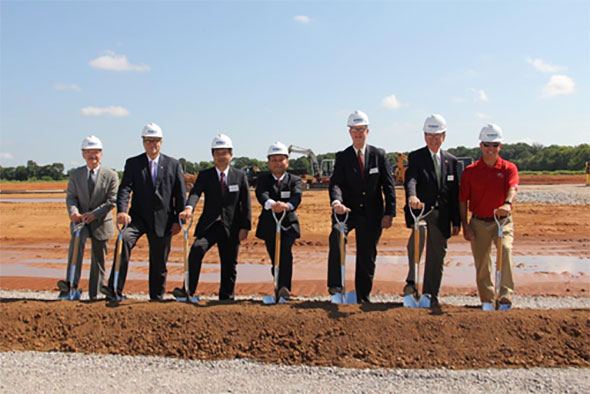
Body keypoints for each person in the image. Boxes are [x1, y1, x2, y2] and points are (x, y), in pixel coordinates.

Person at [101, 123, 186, 301]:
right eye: (148, 141)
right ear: (143, 142)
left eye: (155, 141)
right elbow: (124, 189)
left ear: (161, 142)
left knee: (159, 262)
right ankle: (114, 289)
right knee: (123, 241)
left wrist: (179, 221)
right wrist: (122, 211)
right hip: (137, 218)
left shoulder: (173, 164)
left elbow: (179, 193)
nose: (152, 144)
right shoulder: (133, 163)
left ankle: (156, 297)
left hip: (164, 220)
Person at [327, 110, 396, 303]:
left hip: (373, 214)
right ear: (349, 132)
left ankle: (363, 296)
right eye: (355, 130)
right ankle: (335, 285)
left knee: (367, 254)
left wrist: (390, 212)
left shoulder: (379, 155)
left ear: (368, 131)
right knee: (337, 236)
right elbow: (336, 184)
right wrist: (337, 202)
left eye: (362, 130)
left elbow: (388, 185)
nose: (358, 133)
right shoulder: (342, 157)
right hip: (347, 212)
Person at [174, 134, 251, 301]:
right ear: (213, 155)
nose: (221, 156)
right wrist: (188, 208)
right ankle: (188, 290)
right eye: (218, 153)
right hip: (210, 226)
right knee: (196, 250)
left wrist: (245, 226)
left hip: (231, 227)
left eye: (224, 152)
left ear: (231, 154)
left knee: (229, 263)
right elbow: (195, 193)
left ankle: (226, 297)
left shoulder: (239, 176)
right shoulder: (205, 175)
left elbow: (246, 203)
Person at [402, 114, 460, 309]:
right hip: (422, 212)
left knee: (437, 254)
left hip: (442, 216)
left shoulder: (451, 161)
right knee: (418, 237)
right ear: (424, 136)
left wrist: (457, 222)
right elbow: (411, 179)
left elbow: (454, 194)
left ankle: (430, 294)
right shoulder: (416, 157)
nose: (433, 140)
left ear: (444, 136)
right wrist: (412, 196)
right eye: (429, 135)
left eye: (437, 136)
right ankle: (412, 284)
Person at [459, 123, 519, 311]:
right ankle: (487, 298)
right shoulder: (470, 171)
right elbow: (462, 201)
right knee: (482, 262)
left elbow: (512, 188)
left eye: (495, 145)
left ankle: (505, 297)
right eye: (487, 145)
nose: (490, 149)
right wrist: (465, 226)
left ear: (500, 146)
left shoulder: (508, 168)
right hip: (478, 222)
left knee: (506, 250)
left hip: (502, 222)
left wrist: (507, 204)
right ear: (481, 145)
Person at [58, 135, 118, 300]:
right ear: (83, 154)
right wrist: (73, 213)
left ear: (101, 153)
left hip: (101, 222)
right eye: (89, 152)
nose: (93, 156)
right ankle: (70, 287)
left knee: (99, 258)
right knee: (76, 250)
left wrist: (94, 214)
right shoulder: (76, 174)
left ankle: (96, 293)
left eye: (96, 152)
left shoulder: (111, 175)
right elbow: (71, 197)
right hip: (80, 222)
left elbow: (112, 201)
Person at [255, 141, 303, 300]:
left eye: (281, 159)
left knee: (285, 255)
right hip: (270, 225)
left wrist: (287, 206)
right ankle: (277, 283)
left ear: (287, 162)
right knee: (274, 257)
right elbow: (262, 194)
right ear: (269, 163)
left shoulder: (294, 180)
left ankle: (284, 288)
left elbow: (297, 196)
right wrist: (271, 204)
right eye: (274, 160)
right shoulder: (263, 179)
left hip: (288, 224)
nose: (277, 163)